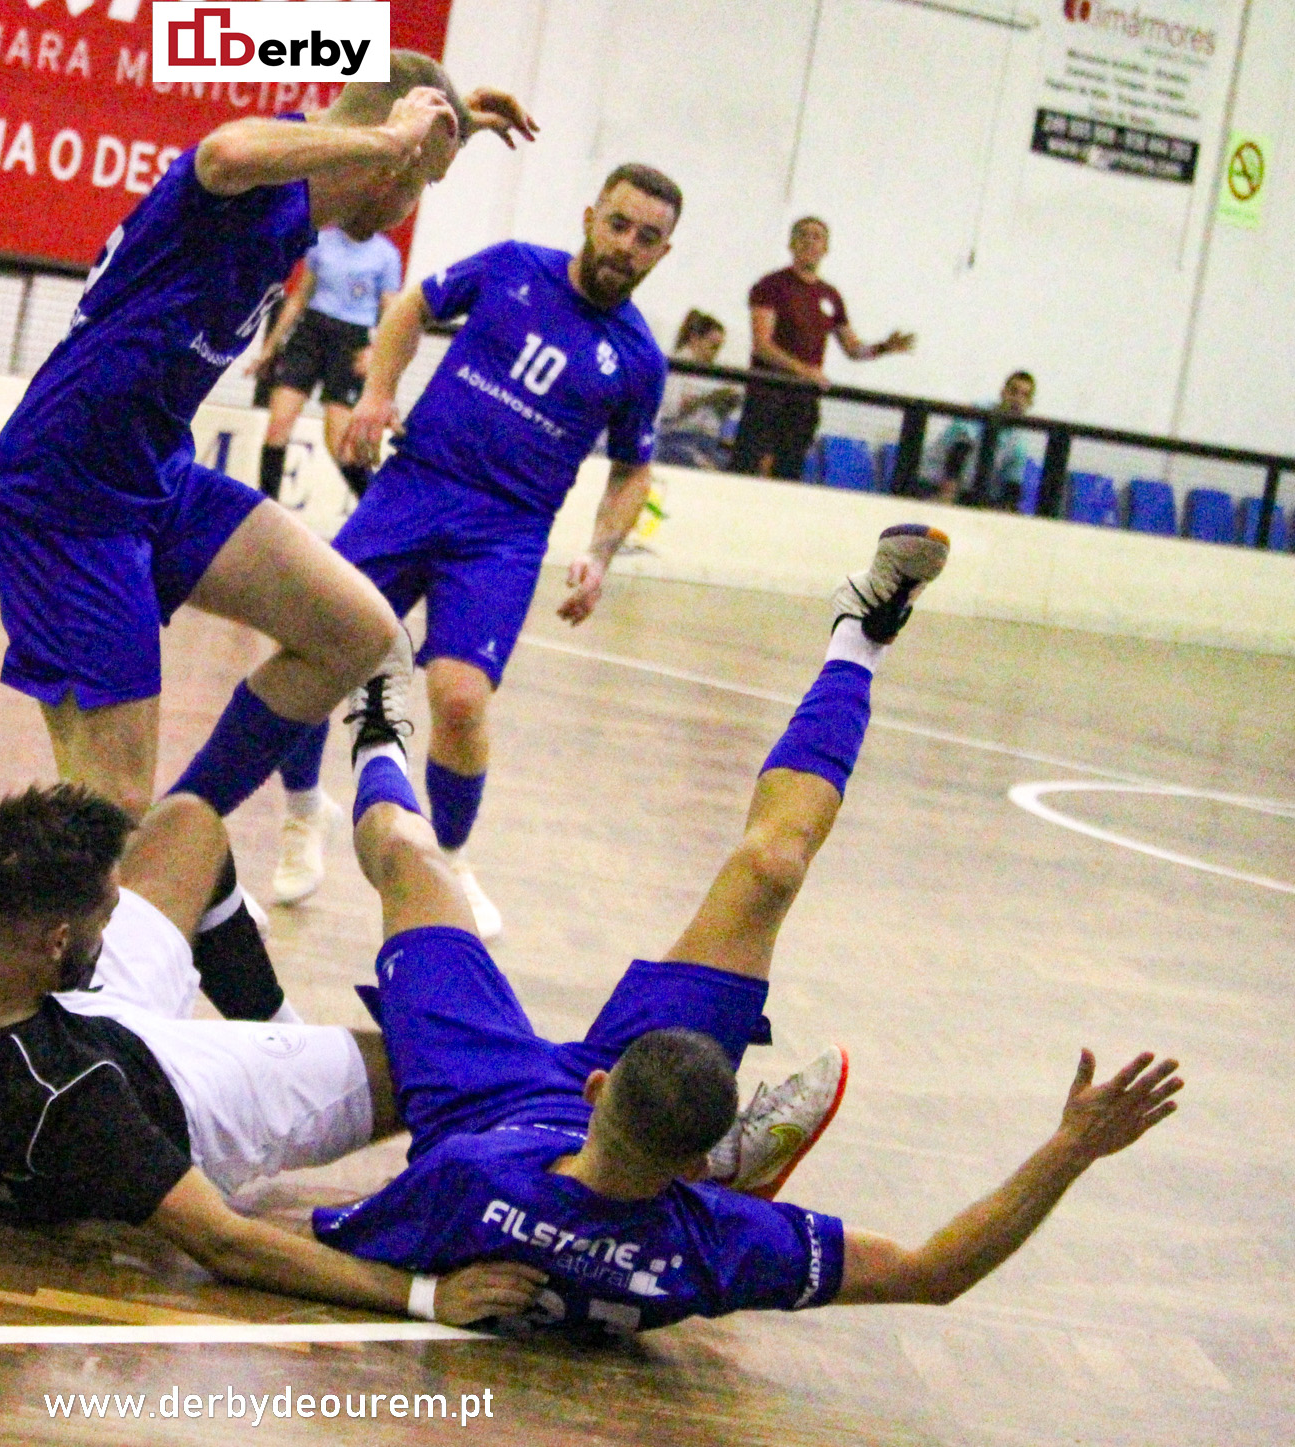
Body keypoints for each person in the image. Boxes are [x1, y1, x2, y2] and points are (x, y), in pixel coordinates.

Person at [309, 525, 1184, 1338]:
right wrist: (1070, 1150)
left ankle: (377, 728)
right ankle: (859, 637)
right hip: (582, 1130)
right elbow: (932, 1272)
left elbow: (269, 1245)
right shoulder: (716, 1239)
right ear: (700, 1165)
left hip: (476, 1096)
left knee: (408, 858)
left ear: (599, 1087)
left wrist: (421, 1295)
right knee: (772, 870)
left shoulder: (466, 1185)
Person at [0, 781, 546, 1326]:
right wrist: (425, 1295)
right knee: (442, 1067)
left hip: (74, 1007)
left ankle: (280, 1018)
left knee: (190, 823)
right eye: (103, 913)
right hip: (187, 1098)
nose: (112, 915)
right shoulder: (74, 1098)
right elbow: (227, 1244)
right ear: (60, 937)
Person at [0, 52, 537, 821]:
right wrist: (391, 138)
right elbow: (223, 151)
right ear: (390, 159)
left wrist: (454, 121)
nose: (414, 203)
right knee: (108, 804)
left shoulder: (304, 212)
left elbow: (356, 116)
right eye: (423, 181)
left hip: (155, 476)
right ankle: (15, 932)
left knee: (359, 631)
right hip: (66, 490)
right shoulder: (258, 179)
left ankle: (188, 830)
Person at [265, 164, 678, 937]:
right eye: (618, 224)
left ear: (662, 253)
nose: (627, 245)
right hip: (414, 485)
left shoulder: (640, 359)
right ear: (591, 216)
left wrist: (599, 551)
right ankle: (299, 815)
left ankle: (450, 857)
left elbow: (632, 467)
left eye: (647, 238)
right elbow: (412, 307)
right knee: (315, 642)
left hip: (506, 533)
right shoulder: (513, 264)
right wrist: (379, 392)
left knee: (459, 699)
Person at [730, 218, 915, 481]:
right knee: (754, 470)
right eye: (803, 235)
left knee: (789, 473)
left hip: (804, 400)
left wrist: (884, 347)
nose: (809, 241)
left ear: (826, 248)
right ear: (791, 243)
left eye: (817, 236)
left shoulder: (830, 296)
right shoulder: (771, 285)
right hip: (768, 394)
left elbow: (852, 348)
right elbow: (762, 345)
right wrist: (804, 371)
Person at [249, 225, 404, 503]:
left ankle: (377, 512)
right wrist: (269, 348)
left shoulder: (386, 255)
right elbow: (298, 298)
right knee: (278, 424)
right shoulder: (323, 241)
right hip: (310, 332)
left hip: (351, 341)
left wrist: (376, 352)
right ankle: (263, 510)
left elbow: (392, 314)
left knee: (340, 444)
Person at [921, 371, 1038, 507]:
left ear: (1030, 402)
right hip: (932, 483)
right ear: (1003, 393)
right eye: (1013, 392)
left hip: (969, 493)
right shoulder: (978, 411)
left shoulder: (1019, 441)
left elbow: (1012, 483)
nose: (1017, 399)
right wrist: (947, 493)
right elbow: (959, 450)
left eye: (1025, 396)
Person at [654, 310, 739, 470]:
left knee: (737, 465)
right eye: (713, 346)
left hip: (708, 441)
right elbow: (668, 412)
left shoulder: (715, 372)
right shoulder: (677, 366)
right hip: (677, 438)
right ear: (695, 339)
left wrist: (727, 403)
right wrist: (704, 400)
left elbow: (720, 419)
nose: (715, 352)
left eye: (719, 347)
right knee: (703, 464)